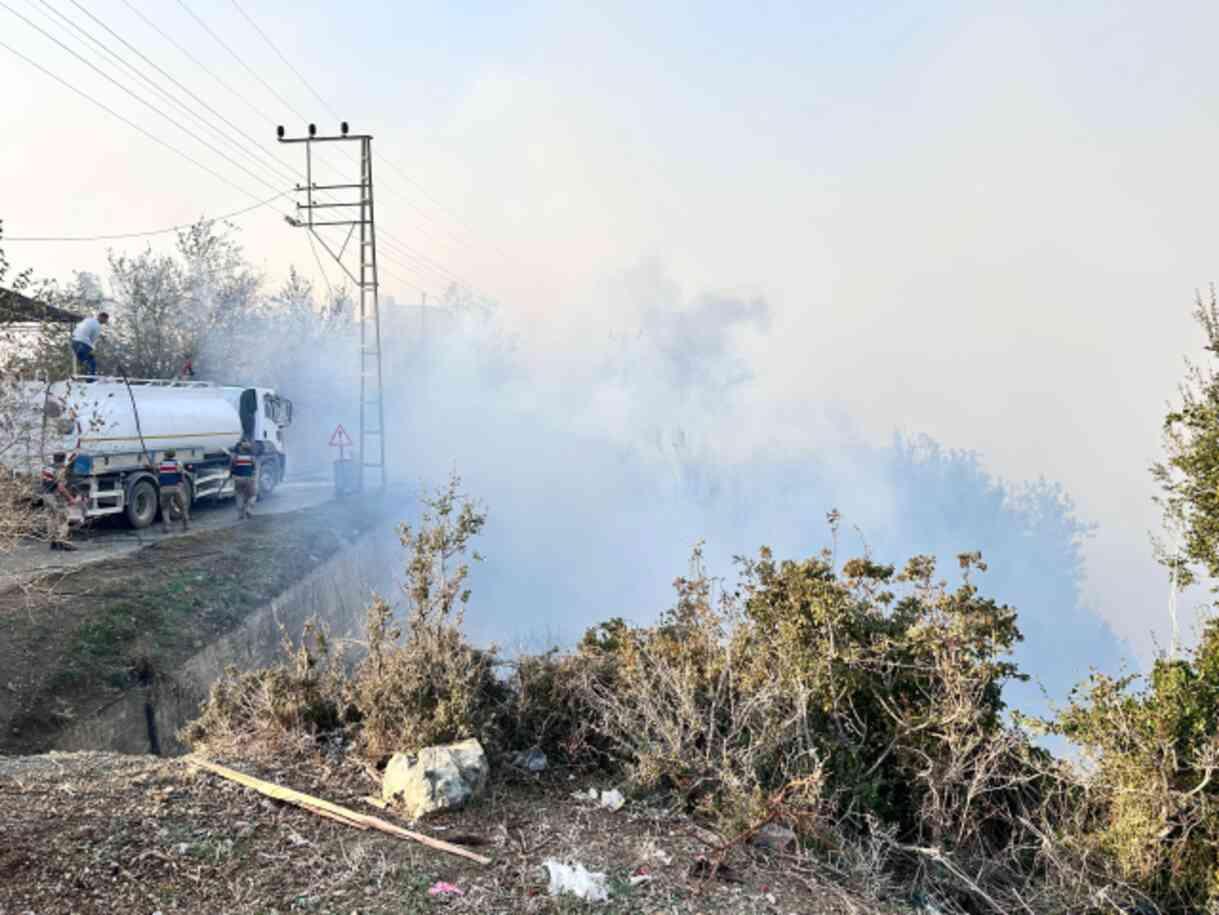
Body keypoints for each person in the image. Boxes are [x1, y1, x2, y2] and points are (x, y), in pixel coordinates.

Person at [42, 452, 78, 551]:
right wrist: (70, 498)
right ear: (63, 459)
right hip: (56, 496)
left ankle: (53, 543)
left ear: (54, 458)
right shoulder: (60, 470)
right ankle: (62, 542)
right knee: (62, 519)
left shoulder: (47, 467)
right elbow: (61, 487)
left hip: (46, 495)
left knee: (51, 518)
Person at [157, 450, 190, 533]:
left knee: (165, 508)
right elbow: (181, 473)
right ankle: (186, 525)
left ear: (165, 455)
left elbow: (156, 469)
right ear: (174, 455)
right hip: (176, 488)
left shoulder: (161, 463)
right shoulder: (177, 463)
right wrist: (181, 483)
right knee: (182, 507)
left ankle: (167, 527)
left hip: (164, 488)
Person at [70, 311, 109, 376]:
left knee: (81, 360)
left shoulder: (88, 320)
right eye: (105, 319)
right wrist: (92, 350)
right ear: (101, 317)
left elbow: (78, 327)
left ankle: (77, 376)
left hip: (74, 341)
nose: (105, 321)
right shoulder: (98, 326)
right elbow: (92, 339)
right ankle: (91, 381)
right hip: (83, 343)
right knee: (91, 362)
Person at [230, 441, 257, 520]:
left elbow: (232, 467)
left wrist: (232, 474)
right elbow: (254, 469)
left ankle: (240, 515)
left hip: (238, 479)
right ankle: (249, 508)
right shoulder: (252, 457)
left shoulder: (235, 457)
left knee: (239, 496)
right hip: (248, 479)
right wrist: (254, 478)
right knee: (253, 495)